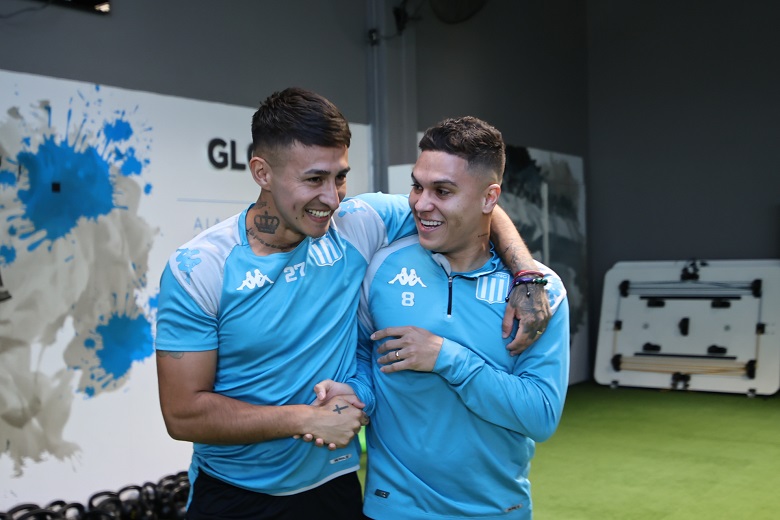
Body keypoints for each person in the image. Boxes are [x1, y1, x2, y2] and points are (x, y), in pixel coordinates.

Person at [154, 88, 548, 520]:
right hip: (234, 495)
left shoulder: (358, 224)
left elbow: (472, 208)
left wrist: (526, 274)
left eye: (339, 177)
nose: (332, 198)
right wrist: (303, 419)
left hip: (335, 487)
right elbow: (183, 414)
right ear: (262, 172)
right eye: (313, 180)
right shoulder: (199, 269)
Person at [318, 116, 570, 519]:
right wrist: (354, 392)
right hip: (392, 507)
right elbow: (367, 357)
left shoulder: (538, 293)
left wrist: (447, 358)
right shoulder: (382, 265)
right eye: (417, 186)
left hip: (495, 510)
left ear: (489, 198)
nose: (421, 204)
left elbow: (540, 415)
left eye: (443, 191)